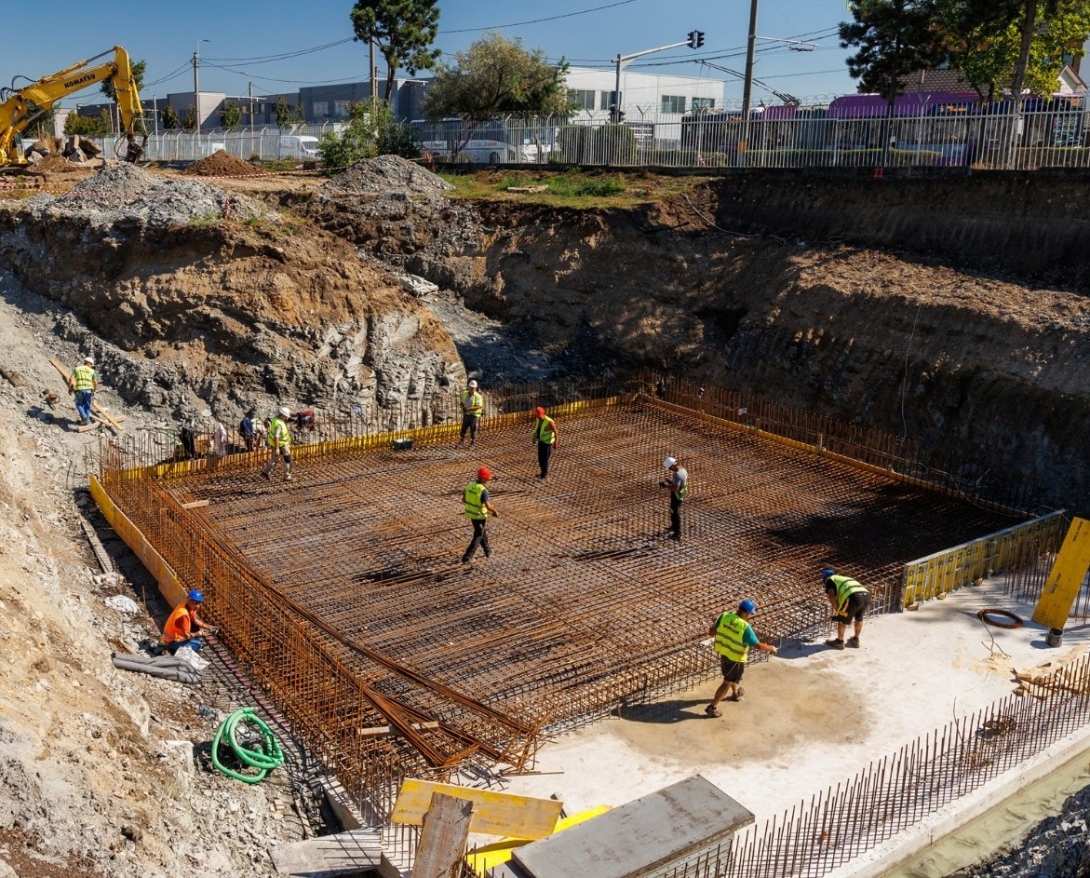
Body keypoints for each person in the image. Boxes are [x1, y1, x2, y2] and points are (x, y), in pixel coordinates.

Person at [705, 599, 778, 717]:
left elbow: (711, 632)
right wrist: (771, 648)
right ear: (747, 613)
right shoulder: (745, 627)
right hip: (736, 658)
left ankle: (736, 693)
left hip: (724, 652)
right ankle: (712, 707)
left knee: (731, 677)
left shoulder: (724, 616)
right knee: (727, 682)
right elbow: (758, 645)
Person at [823, 568, 870, 650]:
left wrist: (838, 612)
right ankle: (856, 640)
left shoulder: (830, 580)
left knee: (841, 619)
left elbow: (831, 597)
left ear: (824, 579)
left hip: (853, 596)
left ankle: (839, 642)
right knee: (859, 618)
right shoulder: (844, 578)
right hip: (866, 595)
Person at [462, 466, 498, 563]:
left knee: (481, 532)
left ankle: (488, 551)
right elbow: (487, 506)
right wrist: (494, 511)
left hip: (471, 514)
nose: (488, 479)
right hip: (479, 516)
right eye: (487, 478)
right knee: (478, 534)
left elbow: (464, 499)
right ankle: (467, 557)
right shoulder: (483, 490)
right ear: (483, 478)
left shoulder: (469, 486)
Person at [161, 589, 212, 654]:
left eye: (199, 603)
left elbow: (195, 620)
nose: (198, 606)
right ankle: (173, 650)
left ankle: (186, 643)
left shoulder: (187, 606)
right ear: (190, 601)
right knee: (198, 645)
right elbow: (187, 635)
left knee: (195, 626)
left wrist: (209, 627)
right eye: (196, 603)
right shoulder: (184, 615)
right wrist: (199, 633)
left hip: (177, 636)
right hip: (171, 642)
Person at [660, 456, 689, 541]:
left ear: (672, 466)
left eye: (669, 468)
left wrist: (665, 486)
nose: (670, 470)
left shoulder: (678, 474)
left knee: (676, 514)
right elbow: (678, 483)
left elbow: (675, 488)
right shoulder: (683, 470)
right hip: (680, 493)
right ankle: (673, 527)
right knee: (673, 511)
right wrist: (671, 482)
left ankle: (677, 534)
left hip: (677, 496)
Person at [261, 406, 293, 481]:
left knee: (275, 458)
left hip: (277, 444)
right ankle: (287, 476)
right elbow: (276, 436)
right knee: (287, 460)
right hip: (281, 445)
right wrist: (278, 448)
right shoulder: (279, 424)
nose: (286, 418)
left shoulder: (275, 419)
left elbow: (267, 420)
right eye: (285, 416)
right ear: (282, 415)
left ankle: (265, 472)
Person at [67, 355, 98, 426]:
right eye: (91, 365)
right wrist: (94, 390)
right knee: (87, 406)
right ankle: (87, 421)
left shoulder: (77, 369)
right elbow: (95, 383)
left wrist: (69, 388)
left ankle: (84, 417)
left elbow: (71, 379)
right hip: (89, 391)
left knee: (79, 404)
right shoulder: (92, 371)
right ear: (90, 363)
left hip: (80, 390)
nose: (91, 366)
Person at [532, 406, 559, 479]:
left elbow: (556, 432)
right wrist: (534, 438)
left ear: (542, 414)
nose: (537, 417)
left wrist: (556, 442)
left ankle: (544, 473)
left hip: (548, 443)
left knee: (545, 458)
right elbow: (536, 429)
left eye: (538, 416)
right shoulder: (538, 419)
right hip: (541, 441)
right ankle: (542, 471)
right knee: (540, 458)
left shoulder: (549, 422)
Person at [459, 380, 484, 445]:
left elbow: (479, 406)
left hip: (474, 415)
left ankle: (473, 442)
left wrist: (469, 408)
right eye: (470, 387)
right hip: (466, 413)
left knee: (473, 428)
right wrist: (462, 406)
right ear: (469, 387)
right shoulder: (464, 393)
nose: (471, 389)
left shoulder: (478, 396)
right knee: (464, 427)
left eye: (473, 388)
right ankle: (462, 440)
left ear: (475, 388)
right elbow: (461, 402)